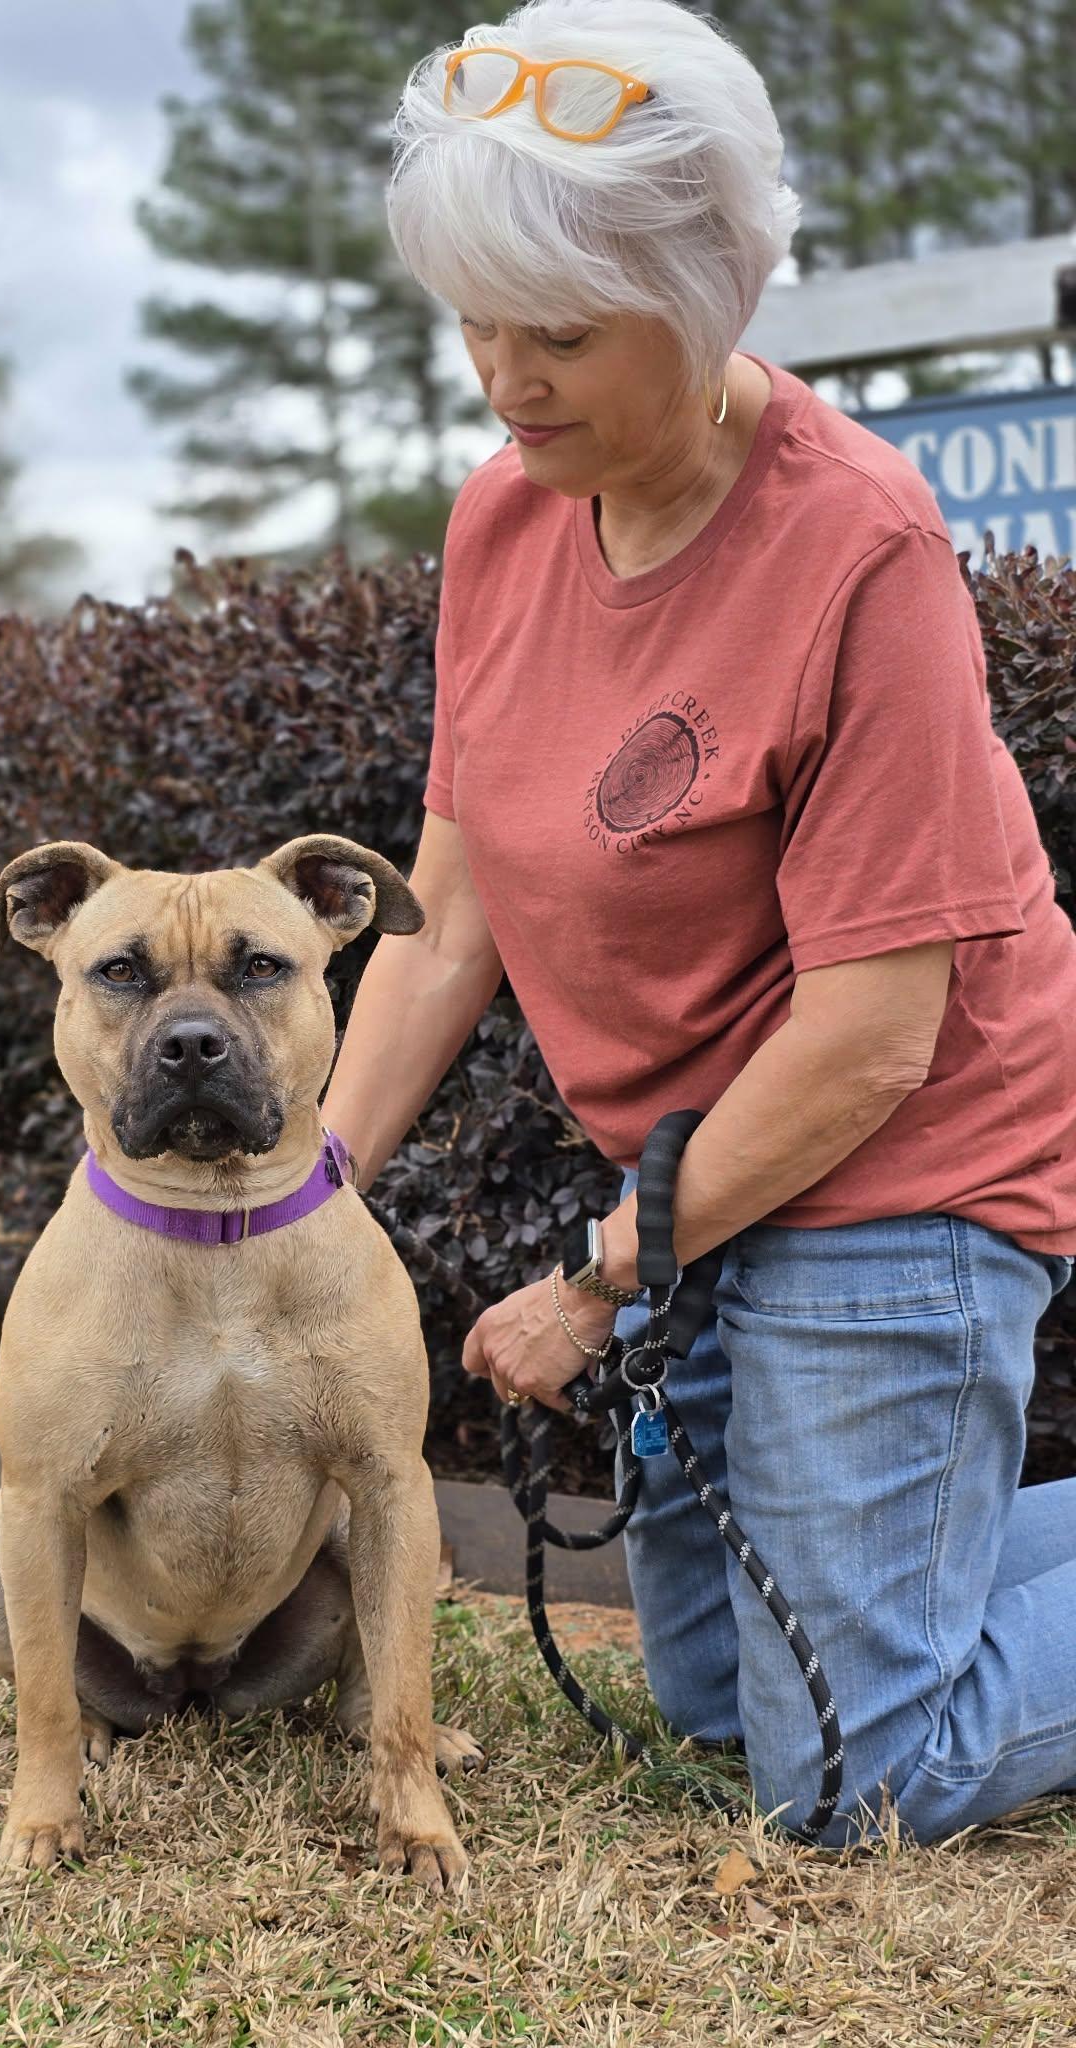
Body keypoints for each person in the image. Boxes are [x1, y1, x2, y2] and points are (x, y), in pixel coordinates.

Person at [319, 0, 1076, 1847]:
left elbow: (875, 1037)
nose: (506, 375)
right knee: (721, 1710)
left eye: (561, 332)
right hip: (695, 1172)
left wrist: (596, 1282)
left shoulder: (861, 549)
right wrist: (297, 1196)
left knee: (852, 1775)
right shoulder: (504, 521)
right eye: (478, 322)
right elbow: (450, 907)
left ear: (712, 292)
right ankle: (927, 1534)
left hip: (907, 1163)